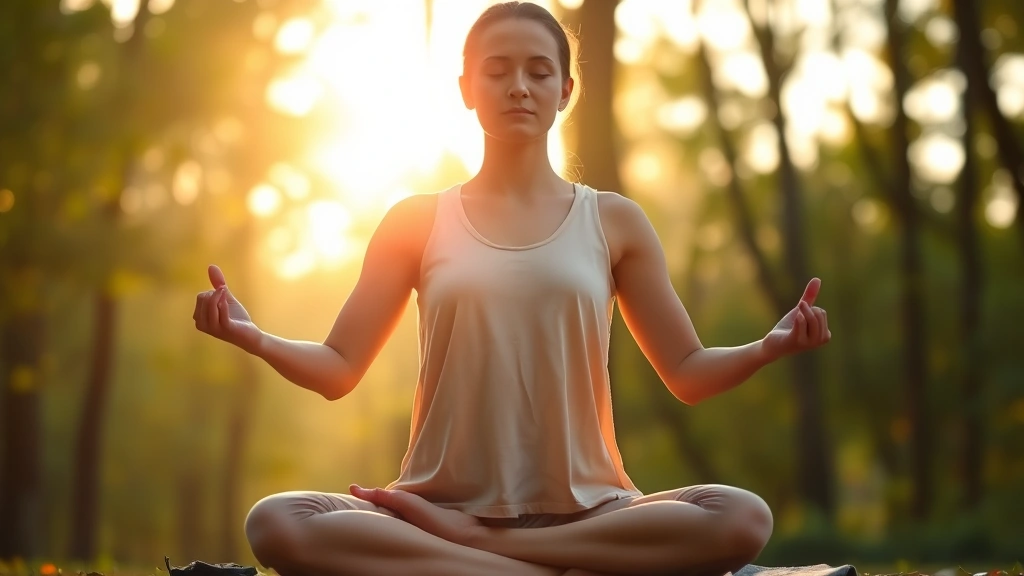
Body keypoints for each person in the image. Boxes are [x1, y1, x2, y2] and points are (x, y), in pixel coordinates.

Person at [192, 2, 832, 575]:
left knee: (740, 517)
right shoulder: (415, 221)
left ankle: (483, 559)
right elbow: (338, 368)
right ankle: (558, 570)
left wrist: (767, 347)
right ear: (466, 89)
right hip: (436, 509)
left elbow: (687, 371)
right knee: (279, 522)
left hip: (591, 511)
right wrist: (254, 337)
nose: (518, 86)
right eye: (496, 71)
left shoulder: (614, 221)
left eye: (539, 71)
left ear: (565, 91)